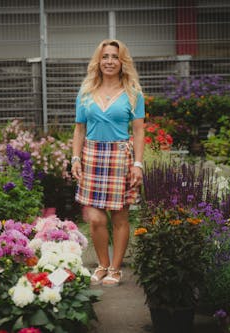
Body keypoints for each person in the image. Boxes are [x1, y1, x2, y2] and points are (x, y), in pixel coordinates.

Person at [71, 39, 145, 287]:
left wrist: (138, 164)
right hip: (91, 157)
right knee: (95, 219)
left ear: (122, 61)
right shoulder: (86, 91)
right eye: (105, 57)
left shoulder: (133, 93)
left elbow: (139, 131)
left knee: (120, 218)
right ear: (98, 61)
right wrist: (75, 158)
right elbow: (79, 130)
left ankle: (115, 268)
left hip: (120, 158)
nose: (110, 61)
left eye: (115, 57)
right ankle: (102, 264)